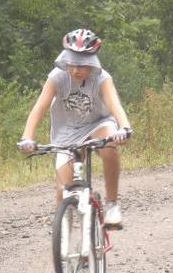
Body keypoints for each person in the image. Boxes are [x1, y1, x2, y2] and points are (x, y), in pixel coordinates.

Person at [17, 29, 132, 228]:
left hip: (97, 124)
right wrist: (27, 137)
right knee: (64, 190)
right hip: (66, 132)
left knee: (110, 145)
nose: (76, 69)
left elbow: (115, 105)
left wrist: (124, 127)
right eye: (72, 62)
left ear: (92, 63)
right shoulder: (57, 77)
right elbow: (39, 107)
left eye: (82, 64)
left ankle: (112, 204)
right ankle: (64, 235)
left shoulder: (102, 78)